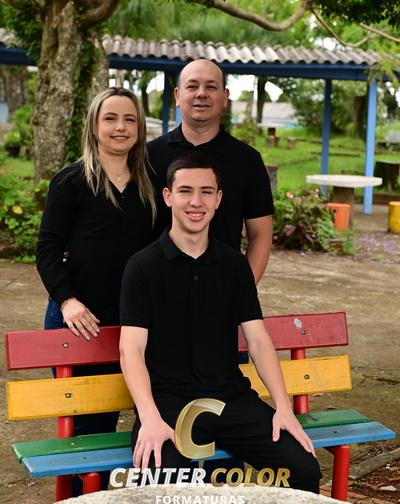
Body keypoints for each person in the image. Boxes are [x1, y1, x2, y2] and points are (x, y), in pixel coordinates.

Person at [119, 151, 321, 493]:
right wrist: (150, 417)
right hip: (169, 403)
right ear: (168, 196)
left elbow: (258, 341)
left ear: (218, 199)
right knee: (161, 483)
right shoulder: (142, 267)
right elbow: (131, 350)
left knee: (303, 469)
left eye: (206, 191)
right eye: (185, 191)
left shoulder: (234, 266)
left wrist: (283, 408)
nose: (196, 202)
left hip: (231, 399)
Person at [36, 86, 156, 493]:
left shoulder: (151, 183)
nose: (120, 127)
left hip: (133, 323)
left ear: (139, 128)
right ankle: (80, 497)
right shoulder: (71, 181)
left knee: (136, 416)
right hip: (80, 322)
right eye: (111, 118)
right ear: (93, 126)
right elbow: (47, 249)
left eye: (129, 119)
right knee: (88, 428)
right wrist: (67, 301)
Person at [148, 58, 274, 285]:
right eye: (192, 86)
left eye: (211, 87)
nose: (201, 93)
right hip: (157, 288)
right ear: (177, 95)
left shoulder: (247, 160)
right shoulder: (148, 157)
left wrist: (242, 292)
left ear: (225, 97)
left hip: (222, 287)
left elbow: (260, 235)